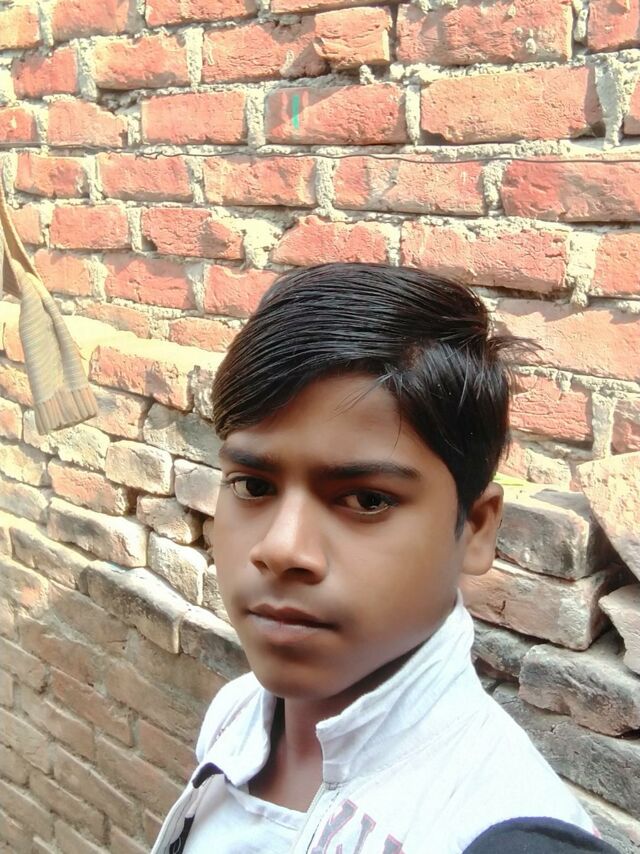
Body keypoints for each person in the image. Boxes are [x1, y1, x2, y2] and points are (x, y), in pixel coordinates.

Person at [152, 263, 618, 854]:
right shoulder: (237, 713)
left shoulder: (500, 833)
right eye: (253, 486)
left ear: (476, 529)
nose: (281, 549)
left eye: (367, 500)